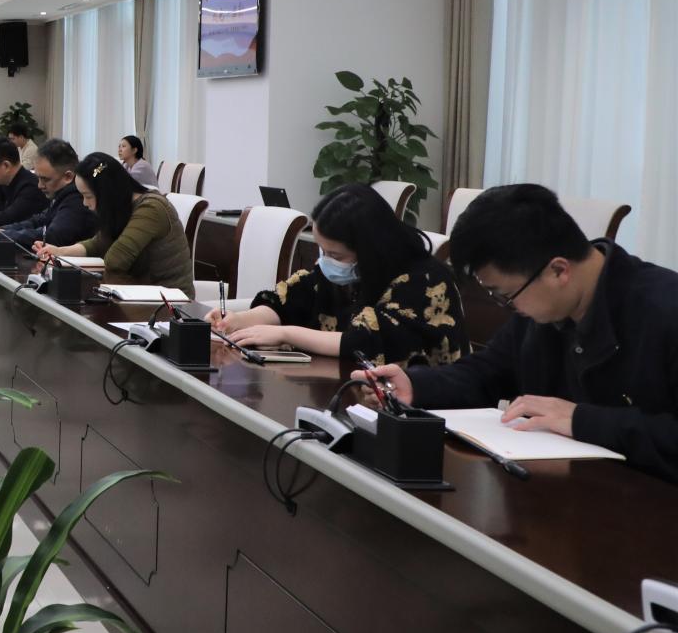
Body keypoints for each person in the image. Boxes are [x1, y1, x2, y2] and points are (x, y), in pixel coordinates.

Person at [356, 184, 678, 482]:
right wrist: (415, 385)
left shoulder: (664, 311)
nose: (508, 307)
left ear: (558, 270)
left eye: (506, 295)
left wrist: (580, 420)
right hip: (563, 491)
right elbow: (486, 372)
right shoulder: (546, 308)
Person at [205, 184, 466, 366]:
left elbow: (365, 343)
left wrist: (286, 334)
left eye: (336, 255)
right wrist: (241, 320)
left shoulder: (424, 281)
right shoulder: (347, 271)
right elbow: (291, 300)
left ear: (369, 250)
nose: (325, 262)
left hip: (424, 409)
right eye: (323, 251)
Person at [36, 151, 193, 295]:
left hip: (170, 301)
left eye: (88, 196)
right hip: (139, 291)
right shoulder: (122, 208)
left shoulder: (151, 208)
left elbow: (115, 261)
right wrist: (59, 251)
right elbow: (97, 243)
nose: (84, 203)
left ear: (107, 192)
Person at [0, 138, 98, 251]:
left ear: (68, 177)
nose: (39, 185)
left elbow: (52, 236)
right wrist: (2, 231)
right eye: (39, 178)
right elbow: (38, 221)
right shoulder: (61, 195)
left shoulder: (77, 199)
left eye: (45, 179)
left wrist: (1, 236)